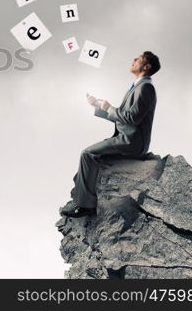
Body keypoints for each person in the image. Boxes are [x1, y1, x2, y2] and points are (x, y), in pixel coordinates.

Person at [62, 51, 161, 218]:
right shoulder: (138, 86)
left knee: (87, 153)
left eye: (138, 58)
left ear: (147, 66)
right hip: (127, 138)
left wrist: (109, 107)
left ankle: (86, 206)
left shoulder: (146, 88)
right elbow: (124, 118)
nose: (133, 59)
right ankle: (81, 193)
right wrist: (99, 106)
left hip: (132, 142)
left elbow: (132, 118)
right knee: (91, 157)